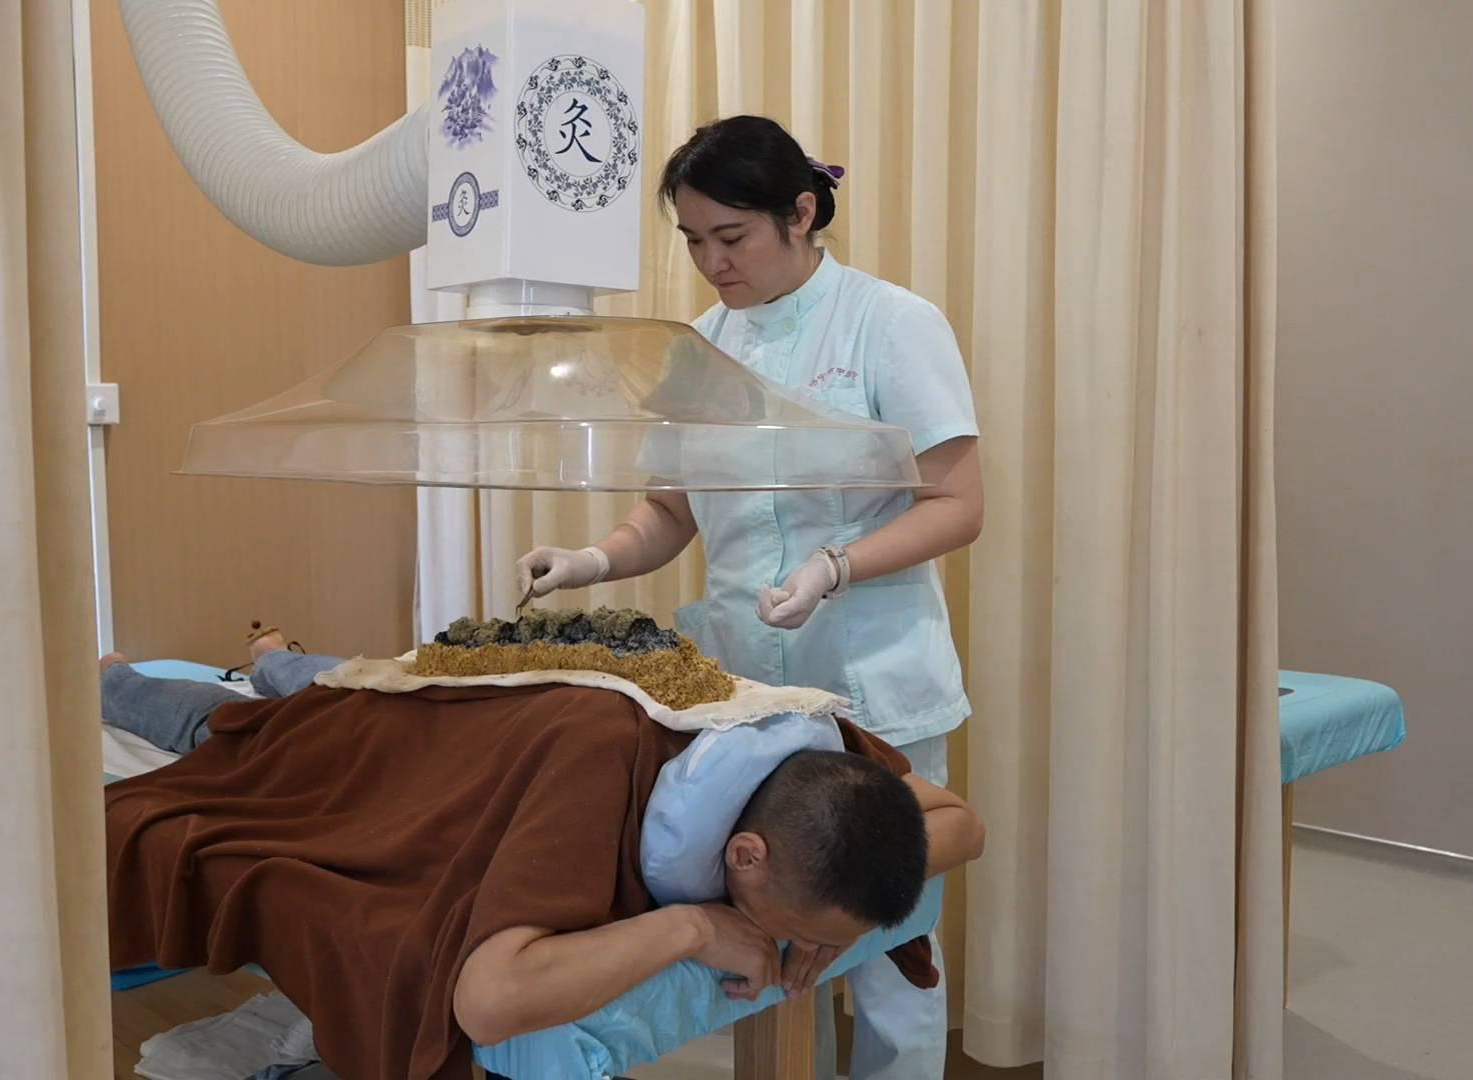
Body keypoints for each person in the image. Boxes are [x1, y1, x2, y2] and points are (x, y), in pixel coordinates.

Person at [516, 114, 984, 1080]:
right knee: (769, 917)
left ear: (801, 214)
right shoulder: (697, 349)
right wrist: (590, 561)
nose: (711, 263)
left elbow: (958, 504)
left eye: (731, 237)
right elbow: (668, 513)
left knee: (886, 938)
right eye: (693, 241)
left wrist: (834, 567)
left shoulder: (890, 324)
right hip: (751, 702)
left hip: (871, 679)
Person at [100, 632, 984, 1060]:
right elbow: (489, 1000)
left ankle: (275, 650)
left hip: (502, 712)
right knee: (248, 728)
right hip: (381, 746)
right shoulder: (599, 774)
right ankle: (120, 677)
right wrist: (693, 928)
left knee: (335, 677)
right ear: (744, 855)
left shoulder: (812, 759)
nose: (802, 948)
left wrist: (827, 924)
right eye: (797, 933)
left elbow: (962, 824)